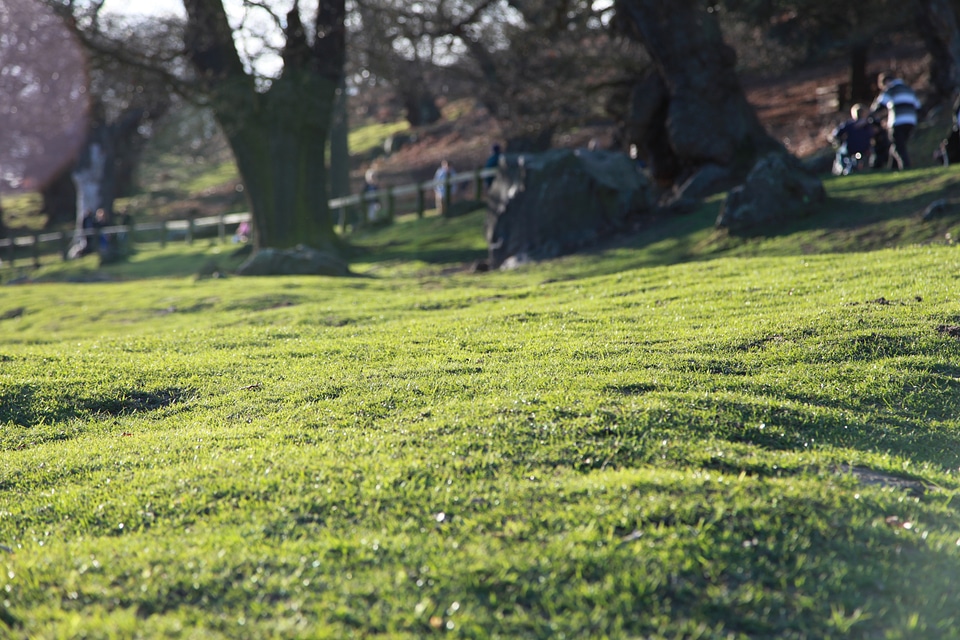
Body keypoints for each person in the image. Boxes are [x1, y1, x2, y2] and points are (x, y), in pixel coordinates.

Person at [870, 72, 921, 170]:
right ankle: (892, 168)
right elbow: (918, 107)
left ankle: (905, 167)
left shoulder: (891, 89)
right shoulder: (908, 89)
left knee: (898, 147)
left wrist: (871, 114)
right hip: (911, 122)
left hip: (898, 121)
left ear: (886, 82)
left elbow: (880, 104)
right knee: (896, 145)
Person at [828, 103, 874, 175]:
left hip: (851, 149)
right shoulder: (868, 124)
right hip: (865, 148)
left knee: (840, 152)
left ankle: (843, 168)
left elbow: (836, 134)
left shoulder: (849, 124)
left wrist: (837, 139)